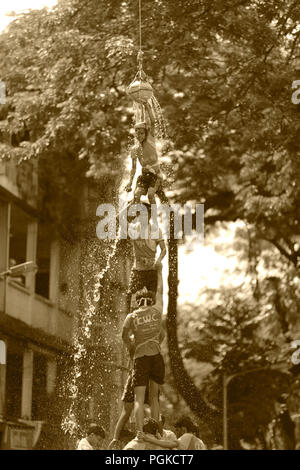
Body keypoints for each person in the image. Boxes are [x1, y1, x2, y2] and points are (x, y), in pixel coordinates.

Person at [122, 266, 164, 434]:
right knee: (154, 397)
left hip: (141, 357)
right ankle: (156, 431)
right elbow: (160, 289)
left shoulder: (131, 317)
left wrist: (131, 346)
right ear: (150, 300)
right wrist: (159, 272)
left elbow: (124, 336)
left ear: (136, 302)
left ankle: (140, 433)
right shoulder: (157, 310)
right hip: (157, 357)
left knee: (139, 398)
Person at [125, 102, 168, 205]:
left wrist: (147, 107)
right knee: (136, 194)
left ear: (145, 133)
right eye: (137, 133)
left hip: (156, 176)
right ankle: (139, 210)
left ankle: (153, 217)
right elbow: (133, 168)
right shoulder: (134, 149)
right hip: (145, 176)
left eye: (141, 133)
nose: (139, 135)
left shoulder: (150, 139)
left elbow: (153, 122)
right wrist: (130, 182)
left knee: (150, 195)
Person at [127, 203, 166, 311]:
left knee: (153, 302)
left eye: (147, 215)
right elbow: (119, 219)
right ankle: (132, 323)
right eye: (142, 214)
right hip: (138, 271)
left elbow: (164, 249)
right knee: (132, 302)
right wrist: (132, 202)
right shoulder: (134, 229)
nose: (144, 217)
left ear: (150, 216)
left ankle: (150, 325)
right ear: (138, 215)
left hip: (151, 271)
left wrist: (159, 260)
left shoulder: (155, 230)